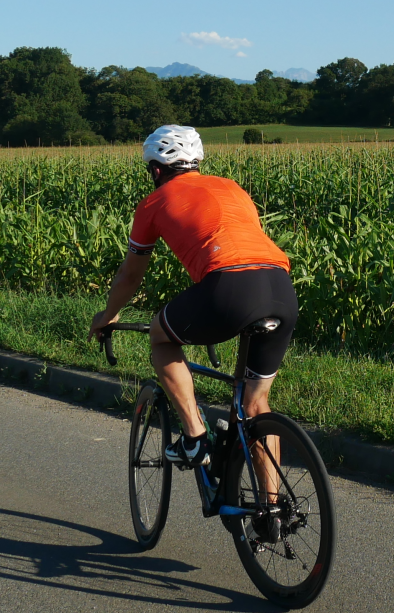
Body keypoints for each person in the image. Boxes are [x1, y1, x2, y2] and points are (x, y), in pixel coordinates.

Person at [89, 124, 296, 467]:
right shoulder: (233, 188)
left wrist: (109, 314)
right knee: (256, 406)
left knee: (160, 337)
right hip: (280, 286)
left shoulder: (153, 203)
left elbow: (129, 275)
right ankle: (272, 514)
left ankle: (195, 438)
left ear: (156, 169)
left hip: (228, 287)